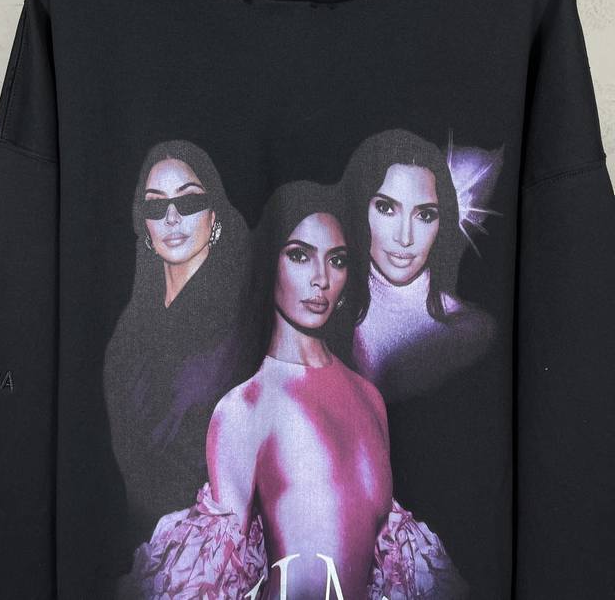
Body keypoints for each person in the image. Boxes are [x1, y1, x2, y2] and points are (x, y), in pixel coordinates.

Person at [116, 180, 468, 600]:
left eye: (336, 260)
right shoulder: (244, 406)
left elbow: (392, 569)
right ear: (271, 265)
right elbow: (213, 580)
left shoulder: (368, 398)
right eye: (300, 255)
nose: (321, 279)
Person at [103, 139, 254, 546]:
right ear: (144, 224)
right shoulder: (128, 329)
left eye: (188, 202)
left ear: (214, 214)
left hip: (213, 546)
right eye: (156, 206)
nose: (171, 217)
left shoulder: (243, 320)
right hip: (130, 541)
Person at [340, 128, 500, 403]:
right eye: (386, 208)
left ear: (442, 221)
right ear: (359, 208)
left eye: (424, 215)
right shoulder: (321, 308)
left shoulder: (470, 333)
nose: (405, 238)